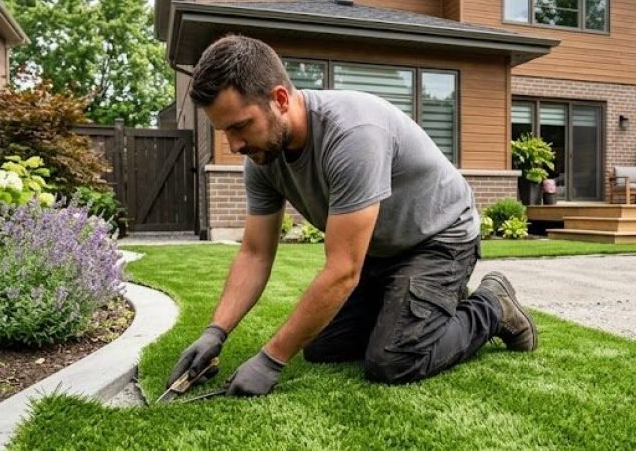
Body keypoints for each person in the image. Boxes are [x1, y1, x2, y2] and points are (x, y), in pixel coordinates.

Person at [167, 34, 538, 397]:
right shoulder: (262, 158)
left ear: (280, 99)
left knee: (393, 360)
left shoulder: (353, 134)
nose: (234, 146)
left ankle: (492, 303)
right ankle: (419, 304)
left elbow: (343, 269)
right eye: (224, 130)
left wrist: (271, 359)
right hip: (382, 251)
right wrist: (215, 331)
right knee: (321, 349)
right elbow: (255, 253)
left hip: (439, 239)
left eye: (239, 126)